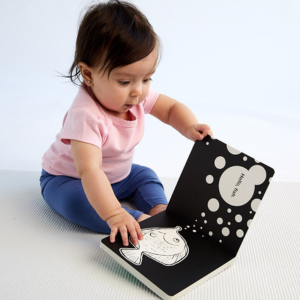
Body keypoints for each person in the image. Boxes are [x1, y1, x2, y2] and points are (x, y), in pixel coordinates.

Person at [40, 0, 213, 247]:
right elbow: (90, 171)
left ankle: (160, 210)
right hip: (69, 180)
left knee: (145, 176)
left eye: (146, 79)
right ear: (88, 75)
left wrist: (189, 127)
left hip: (119, 175)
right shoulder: (86, 115)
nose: (138, 92)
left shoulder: (135, 97)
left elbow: (171, 108)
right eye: (124, 82)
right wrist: (114, 212)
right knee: (77, 202)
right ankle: (133, 221)